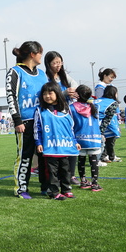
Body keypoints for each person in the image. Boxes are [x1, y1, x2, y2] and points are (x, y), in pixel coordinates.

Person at [5, 41, 48, 199]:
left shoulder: (42, 74)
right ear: (32, 54)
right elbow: (11, 97)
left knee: (45, 157)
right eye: (40, 53)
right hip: (26, 122)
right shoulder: (15, 72)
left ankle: (46, 187)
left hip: (43, 122)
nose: (41, 56)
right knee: (25, 156)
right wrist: (17, 120)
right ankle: (21, 188)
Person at [34, 82, 80, 200]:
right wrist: (38, 143)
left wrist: (75, 142)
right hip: (50, 147)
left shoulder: (65, 109)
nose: (47, 96)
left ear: (57, 94)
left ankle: (66, 189)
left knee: (66, 169)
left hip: (65, 146)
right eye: (44, 94)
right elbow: (37, 128)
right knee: (51, 171)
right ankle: (53, 192)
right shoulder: (40, 111)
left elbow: (70, 128)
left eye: (50, 93)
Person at [44, 51, 80, 185]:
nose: (58, 65)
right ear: (48, 64)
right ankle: (58, 176)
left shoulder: (64, 76)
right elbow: (46, 95)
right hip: (54, 115)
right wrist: (63, 93)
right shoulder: (45, 78)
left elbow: (76, 86)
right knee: (58, 145)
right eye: (54, 63)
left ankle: (71, 175)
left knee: (71, 143)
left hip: (67, 114)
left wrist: (74, 92)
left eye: (60, 62)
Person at [70, 85, 103, 191]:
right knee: (94, 161)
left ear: (77, 95)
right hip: (94, 138)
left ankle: (83, 181)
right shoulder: (94, 107)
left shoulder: (72, 107)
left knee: (81, 160)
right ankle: (94, 183)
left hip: (79, 138)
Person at [95, 85, 121, 163]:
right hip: (103, 125)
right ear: (114, 93)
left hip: (92, 124)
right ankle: (103, 158)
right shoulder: (112, 103)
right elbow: (107, 119)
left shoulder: (97, 100)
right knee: (108, 142)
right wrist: (101, 132)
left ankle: (104, 157)